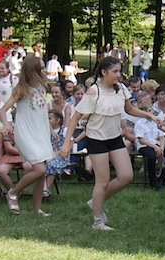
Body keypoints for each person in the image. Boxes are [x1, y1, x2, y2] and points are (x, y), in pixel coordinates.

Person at [60, 57, 153, 231]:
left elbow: (129, 109)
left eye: (120, 71)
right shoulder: (93, 92)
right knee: (102, 181)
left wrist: (149, 116)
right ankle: (98, 221)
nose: (119, 75)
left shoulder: (121, 89)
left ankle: (95, 201)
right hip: (96, 139)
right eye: (115, 71)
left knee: (126, 176)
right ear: (104, 72)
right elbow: (75, 118)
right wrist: (67, 144)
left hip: (115, 137)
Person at [0, 57, 54, 216]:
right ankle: (13, 192)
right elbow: (3, 111)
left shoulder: (42, 87)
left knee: (41, 173)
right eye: (41, 68)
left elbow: (42, 112)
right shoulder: (21, 89)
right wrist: (7, 125)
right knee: (39, 168)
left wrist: (51, 130)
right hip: (26, 133)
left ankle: (37, 209)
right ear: (33, 71)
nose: (44, 71)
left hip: (40, 132)